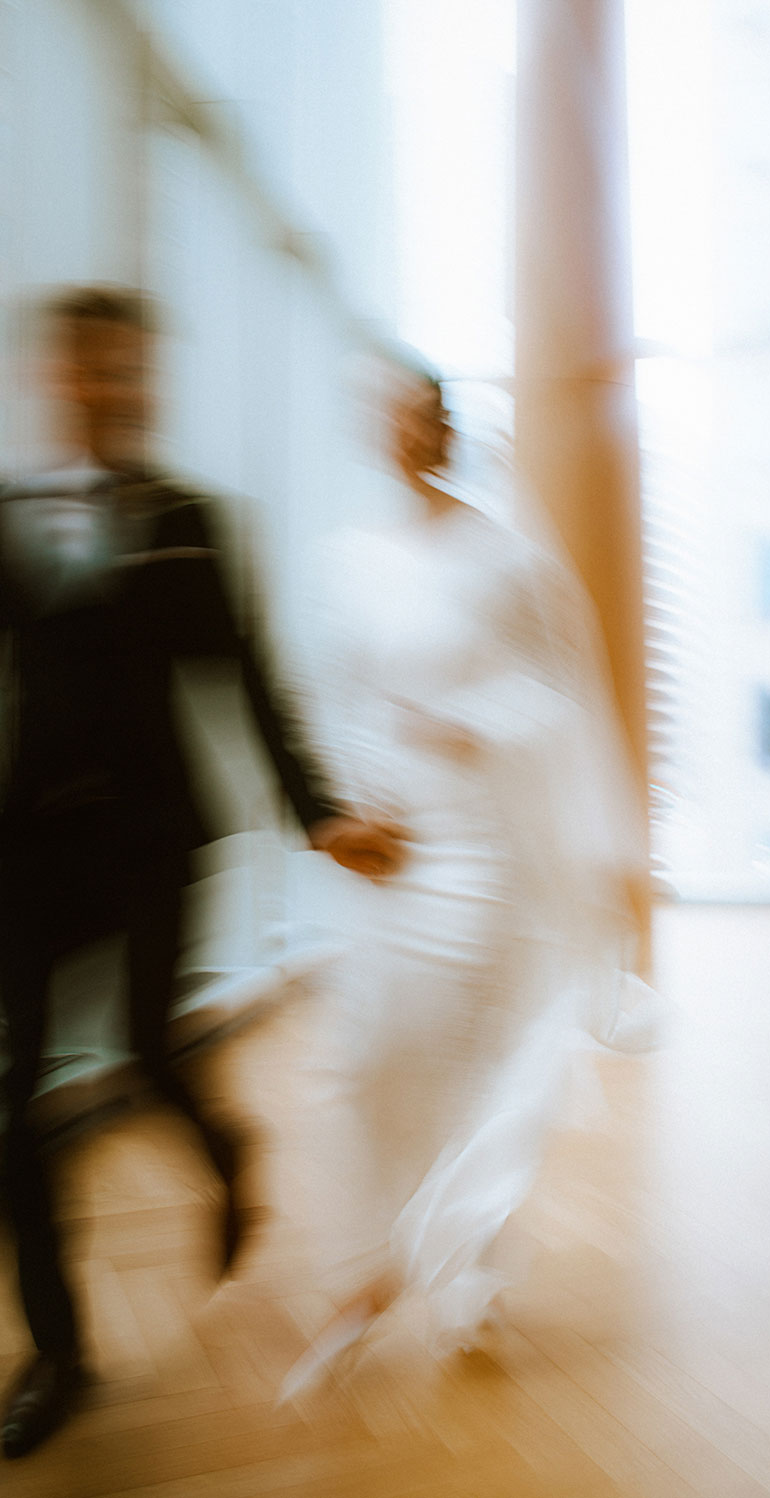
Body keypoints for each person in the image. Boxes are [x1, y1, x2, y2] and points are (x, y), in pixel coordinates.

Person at [0, 285, 403, 1458]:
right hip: (29, 847)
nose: (108, 389)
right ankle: (61, 1356)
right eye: (87, 369)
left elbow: (250, 683)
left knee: (147, 1051)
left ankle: (226, 1147)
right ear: (55, 378)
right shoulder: (8, 517)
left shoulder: (193, 521)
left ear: (147, 382)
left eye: (128, 371)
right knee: (18, 1101)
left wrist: (320, 815)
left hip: (153, 843)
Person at [280, 357, 657, 1399]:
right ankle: (389, 1248)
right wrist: (345, 812)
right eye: (384, 416)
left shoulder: (505, 559)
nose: (400, 432)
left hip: (479, 851)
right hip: (389, 848)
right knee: (366, 1057)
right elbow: (330, 696)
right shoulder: (346, 559)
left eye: (417, 415)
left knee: (466, 1049)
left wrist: (475, 726)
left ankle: (453, 1260)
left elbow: (562, 697)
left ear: (444, 429)